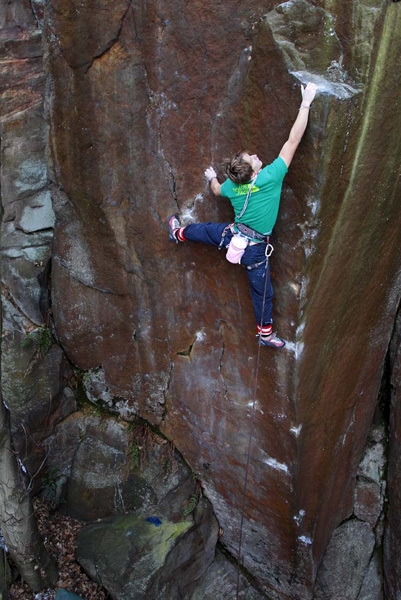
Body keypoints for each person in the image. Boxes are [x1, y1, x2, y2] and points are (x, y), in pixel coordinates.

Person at [168, 82, 317, 348]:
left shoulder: (231, 186)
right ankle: (265, 334)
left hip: (233, 236)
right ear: (254, 171)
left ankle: (179, 233)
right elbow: (293, 139)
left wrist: (213, 177)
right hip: (256, 250)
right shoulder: (271, 177)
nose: (258, 156)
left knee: (204, 231)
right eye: (254, 158)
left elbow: (215, 190)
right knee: (262, 293)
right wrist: (305, 103)